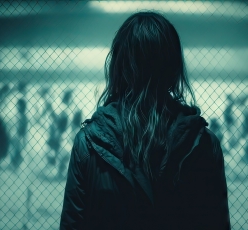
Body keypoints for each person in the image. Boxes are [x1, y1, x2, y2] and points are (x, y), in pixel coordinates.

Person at [60, 12, 230, 229]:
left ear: (118, 67)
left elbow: (72, 224)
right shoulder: (204, 144)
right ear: (174, 67)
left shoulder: (89, 144)